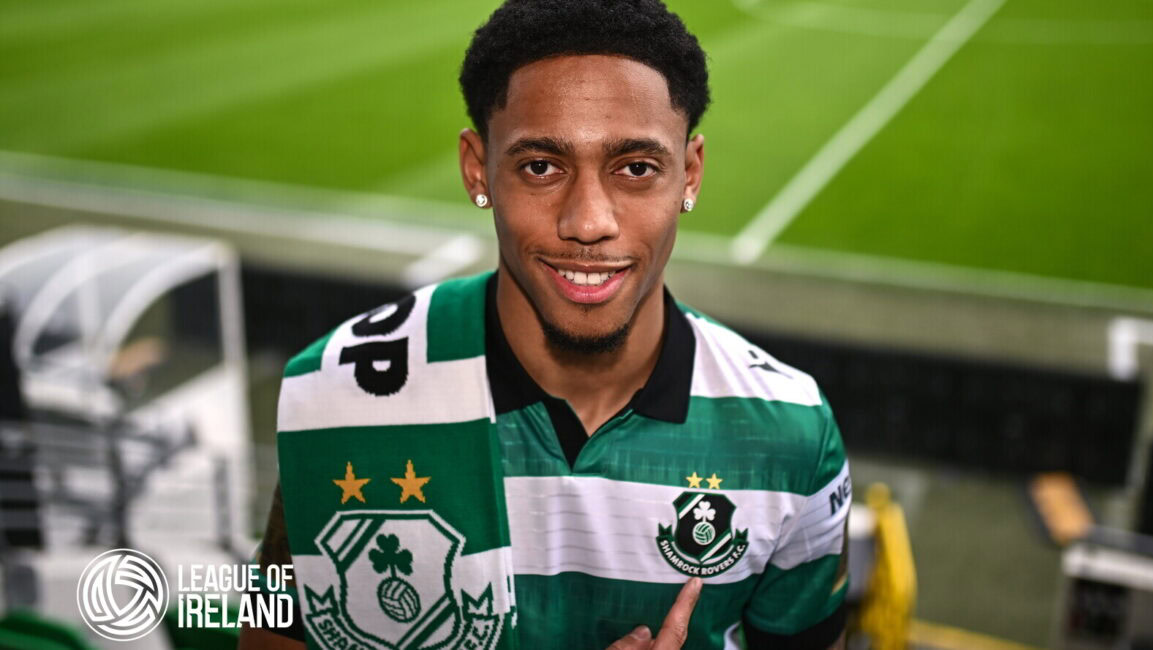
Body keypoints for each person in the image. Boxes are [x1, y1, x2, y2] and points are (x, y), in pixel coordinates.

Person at [240, 1, 850, 648]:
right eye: (540, 167)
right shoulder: (337, 395)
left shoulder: (792, 432)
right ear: (477, 170)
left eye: (636, 168)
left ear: (689, 174)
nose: (588, 222)